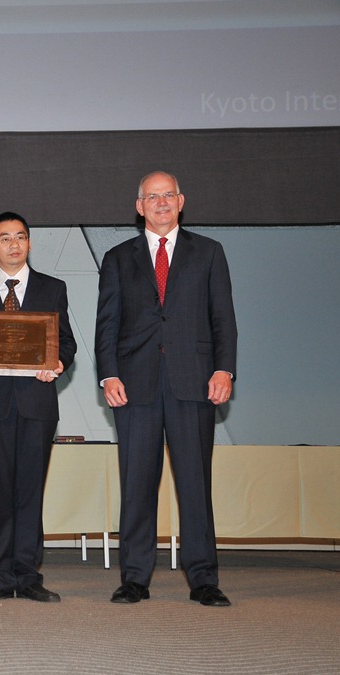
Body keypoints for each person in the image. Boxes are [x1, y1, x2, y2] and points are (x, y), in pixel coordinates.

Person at [96, 171, 237, 606]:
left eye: (168, 195)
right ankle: (135, 578)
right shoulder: (118, 257)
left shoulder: (209, 253)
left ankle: (204, 579)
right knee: (137, 484)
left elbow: (223, 319)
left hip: (194, 382)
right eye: (151, 197)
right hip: (134, 385)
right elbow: (107, 323)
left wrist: (224, 370)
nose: (160, 203)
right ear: (139, 206)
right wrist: (109, 374)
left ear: (181, 201)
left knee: (195, 483)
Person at [0, 211, 77, 603]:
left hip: (37, 404)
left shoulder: (53, 288)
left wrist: (58, 363)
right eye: (4, 238)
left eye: (20, 237)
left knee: (30, 491)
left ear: (29, 243)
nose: (13, 244)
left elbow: (67, 343)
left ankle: (28, 574)